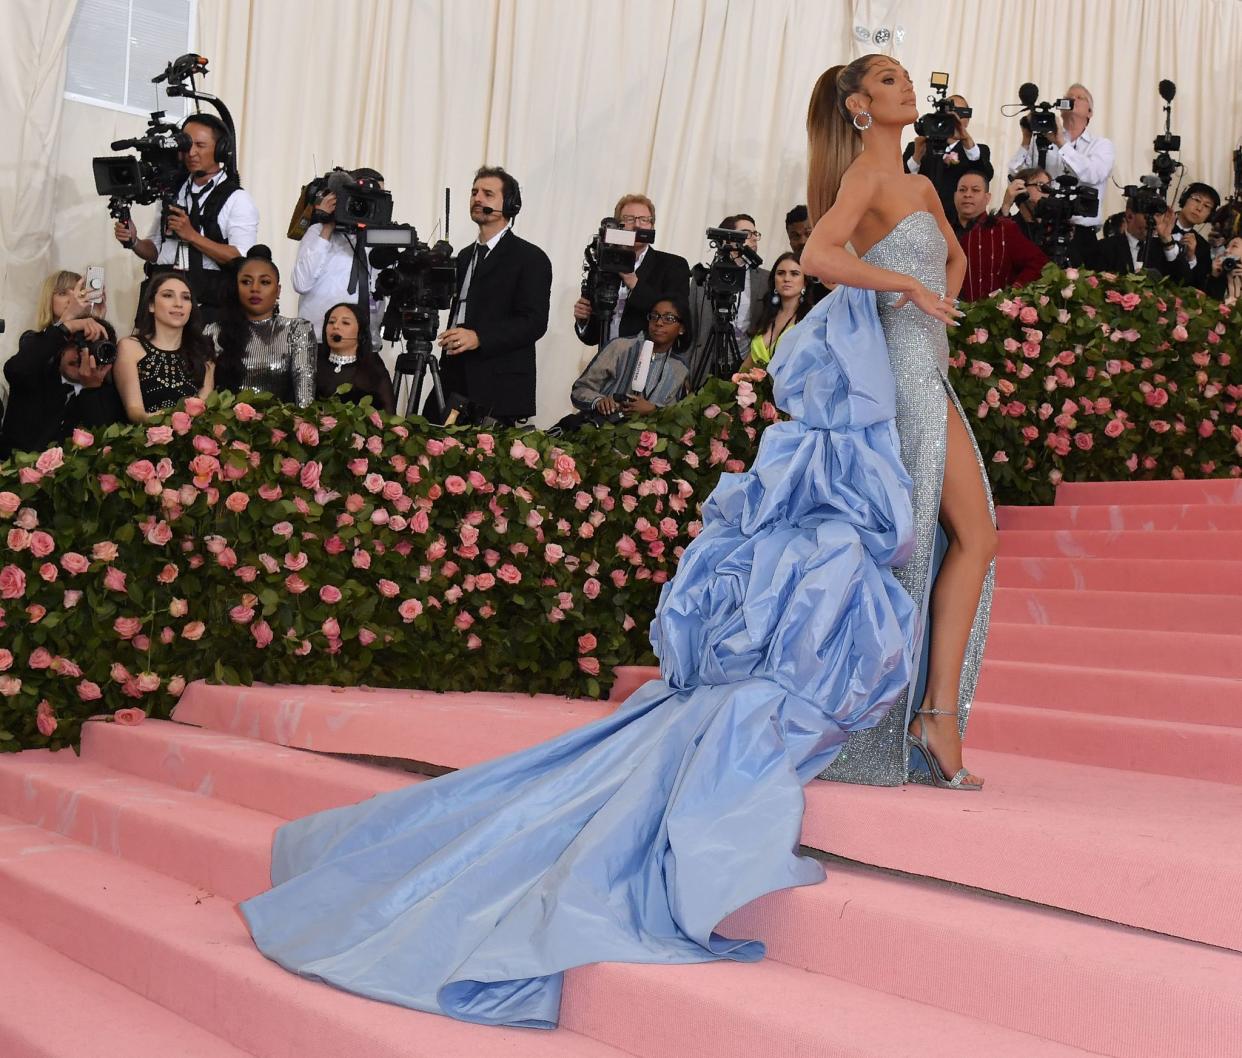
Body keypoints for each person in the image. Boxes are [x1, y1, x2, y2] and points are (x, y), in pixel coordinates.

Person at [240, 55, 994, 1029]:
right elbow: (822, 261)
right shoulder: (863, 177)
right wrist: (903, 285)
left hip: (927, 369)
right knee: (909, 541)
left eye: (903, 79)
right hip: (888, 377)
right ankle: (924, 721)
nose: (902, 88)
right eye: (886, 78)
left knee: (974, 535)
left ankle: (936, 714)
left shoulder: (926, 180)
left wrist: (935, 282)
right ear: (859, 106)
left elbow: (955, 264)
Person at [112, 114, 259, 322]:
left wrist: (192, 235)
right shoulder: (171, 192)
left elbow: (242, 259)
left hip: (208, 311)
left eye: (200, 145)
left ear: (220, 150)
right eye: (187, 145)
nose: (191, 153)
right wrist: (134, 241)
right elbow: (155, 252)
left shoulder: (238, 199)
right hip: (161, 302)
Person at [433, 166, 551, 425]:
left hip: (498, 386)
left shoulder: (530, 258)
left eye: (488, 194)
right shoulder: (464, 256)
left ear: (509, 205)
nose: (478, 199)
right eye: (474, 192)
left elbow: (533, 322)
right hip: (453, 376)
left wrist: (479, 338)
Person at [0, 278, 124, 458]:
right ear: (61, 348)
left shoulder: (110, 395)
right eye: (77, 344)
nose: (81, 354)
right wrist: (66, 327)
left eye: (91, 348)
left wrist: (92, 390)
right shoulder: (35, 372)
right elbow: (15, 370)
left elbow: (105, 447)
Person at [1006, 83, 1114, 263]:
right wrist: (1026, 141)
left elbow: (1093, 174)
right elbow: (1016, 176)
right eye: (1068, 97)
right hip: (1042, 231)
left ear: (1090, 112)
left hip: (1081, 235)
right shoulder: (1043, 140)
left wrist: (1061, 144)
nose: (1072, 99)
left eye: (1079, 98)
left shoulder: (1102, 145)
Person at [572, 194, 690, 348]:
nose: (636, 225)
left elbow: (675, 316)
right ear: (617, 226)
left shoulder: (673, 265)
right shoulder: (602, 265)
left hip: (648, 357)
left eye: (643, 220)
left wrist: (634, 283)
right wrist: (583, 320)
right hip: (606, 359)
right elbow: (591, 337)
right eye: (629, 219)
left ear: (652, 226)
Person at [204, 245, 316, 407]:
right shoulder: (214, 331)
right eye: (246, 282)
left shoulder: (296, 329)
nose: (255, 289)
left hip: (282, 426)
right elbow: (204, 396)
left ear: (278, 290)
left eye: (264, 282)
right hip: (224, 427)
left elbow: (305, 400)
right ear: (236, 287)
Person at [565, 294, 691, 427]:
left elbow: (677, 416)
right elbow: (580, 390)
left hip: (646, 442)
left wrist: (653, 411)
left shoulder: (679, 368)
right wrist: (599, 401)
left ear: (682, 328)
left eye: (669, 318)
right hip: (600, 430)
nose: (659, 323)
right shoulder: (620, 347)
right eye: (655, 316)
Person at [291, 169, 387, 343]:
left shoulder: (382, 240)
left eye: (378, 199)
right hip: (317, 341)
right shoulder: (318, 232)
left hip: (365, 344)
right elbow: (301, 284)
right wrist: (327, 226)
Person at [113, 273, 215, 422]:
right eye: (168, 295)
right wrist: (169, 425)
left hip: (191, 440)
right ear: (151, 305)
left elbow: (205, 410)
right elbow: (135, 411)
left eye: (186, 297)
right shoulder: (130, 347)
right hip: (143, 440)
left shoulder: (203, 351)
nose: (178, 304)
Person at [686, 214, 769, 380]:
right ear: (726, 239)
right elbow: (691, 328)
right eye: (746, 233)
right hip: (705, 362)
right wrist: (685, 370)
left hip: (744, 364)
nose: (753, 239)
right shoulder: (704, 278)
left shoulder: (766, 280)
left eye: (755, 234)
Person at [952, 168, 1049, 300]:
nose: (967, 195)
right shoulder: (943, 231)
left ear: (987, 198)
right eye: (962, 190)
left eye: (975, 190)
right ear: (955, 195)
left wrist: (1012, 294)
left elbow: (1039, 263)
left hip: (991, 316)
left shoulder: (1003, 228)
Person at [903, 92, 991, 215]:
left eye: (960, 113)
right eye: (950, 113)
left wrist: (966, 139)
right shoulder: (916, 147)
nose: (954, 118)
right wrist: (917, 157)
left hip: (958, 221)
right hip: (919, 216)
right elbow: (900, 182)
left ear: (967, 119)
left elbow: (985, 175)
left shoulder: (977, 150)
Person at [315, 302, 396, 413]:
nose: (336, 326)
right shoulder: (313, 363)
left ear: (360, 333)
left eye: (345, 323)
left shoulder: (374, 369)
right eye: (331, 322)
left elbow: (388, 416)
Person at [1084, 198, 1191, 282]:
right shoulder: (1105, 247)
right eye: (1148, 215)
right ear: (1130, 216)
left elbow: (1182, 280)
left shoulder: (1163, 248)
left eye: (1158, 215)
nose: (1153, 221)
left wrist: (1167, 239)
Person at [739, 252, 810, 371]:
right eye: (781, 273)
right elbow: (747, 365)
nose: (786, 279)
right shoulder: (766, 313)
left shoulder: (810, 319)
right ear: (774, 280)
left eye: (794, 274)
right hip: (750, 386)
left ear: (805, 282)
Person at [1171, 182, 1220, 290]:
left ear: (1210, 215)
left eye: (1207, 206)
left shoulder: (1204, 247)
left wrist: (1191, 257)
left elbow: (1198, 286)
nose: (1199, 208)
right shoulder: (1159, 224)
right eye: (1197, 200)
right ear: (1184, 199)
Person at [785, 203, 830, 304]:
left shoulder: (835, 273)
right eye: (795, 236)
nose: (802, 241)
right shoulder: (785, 275)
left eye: (808, 233)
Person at [998, 166, 1051, 243]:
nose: (1047, 191)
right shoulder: (1012, 224)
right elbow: (995, 241)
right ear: (1021, 189)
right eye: (1041, 185)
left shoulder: (1054, 226)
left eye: (1048, 186)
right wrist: (1006, 205)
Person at [1203, 236, 1242, 301]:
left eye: (1234, 246)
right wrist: (1214, 276)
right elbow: (1207, 304)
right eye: (1227, 247)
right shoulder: (1220, 277)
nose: (1226, 250)